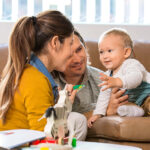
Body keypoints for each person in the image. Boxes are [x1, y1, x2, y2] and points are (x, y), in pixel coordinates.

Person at [0, 10, 86, 140]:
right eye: (70, 44)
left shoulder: (27, 71)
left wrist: (63, 105)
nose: (71, 54)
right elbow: (43, 138)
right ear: (55, 43)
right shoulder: (36, 79)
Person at [52, 30, 128, 119]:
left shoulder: (105, 80)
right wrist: (105, 112)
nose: (77, 60)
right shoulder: (49, 83)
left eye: (79, 49)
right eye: (69, 55)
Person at [88, 28, 150, 128]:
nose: (104, 56)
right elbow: (103, 97)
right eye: (101, 52)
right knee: (123, 108)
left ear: (126, 52)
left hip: (147, 95)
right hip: (135, 102)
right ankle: (136, 112)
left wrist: (118, 81)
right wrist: (98, 114)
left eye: (109, 51)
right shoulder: (108, 75)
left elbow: (136, 78)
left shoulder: (131, 64)